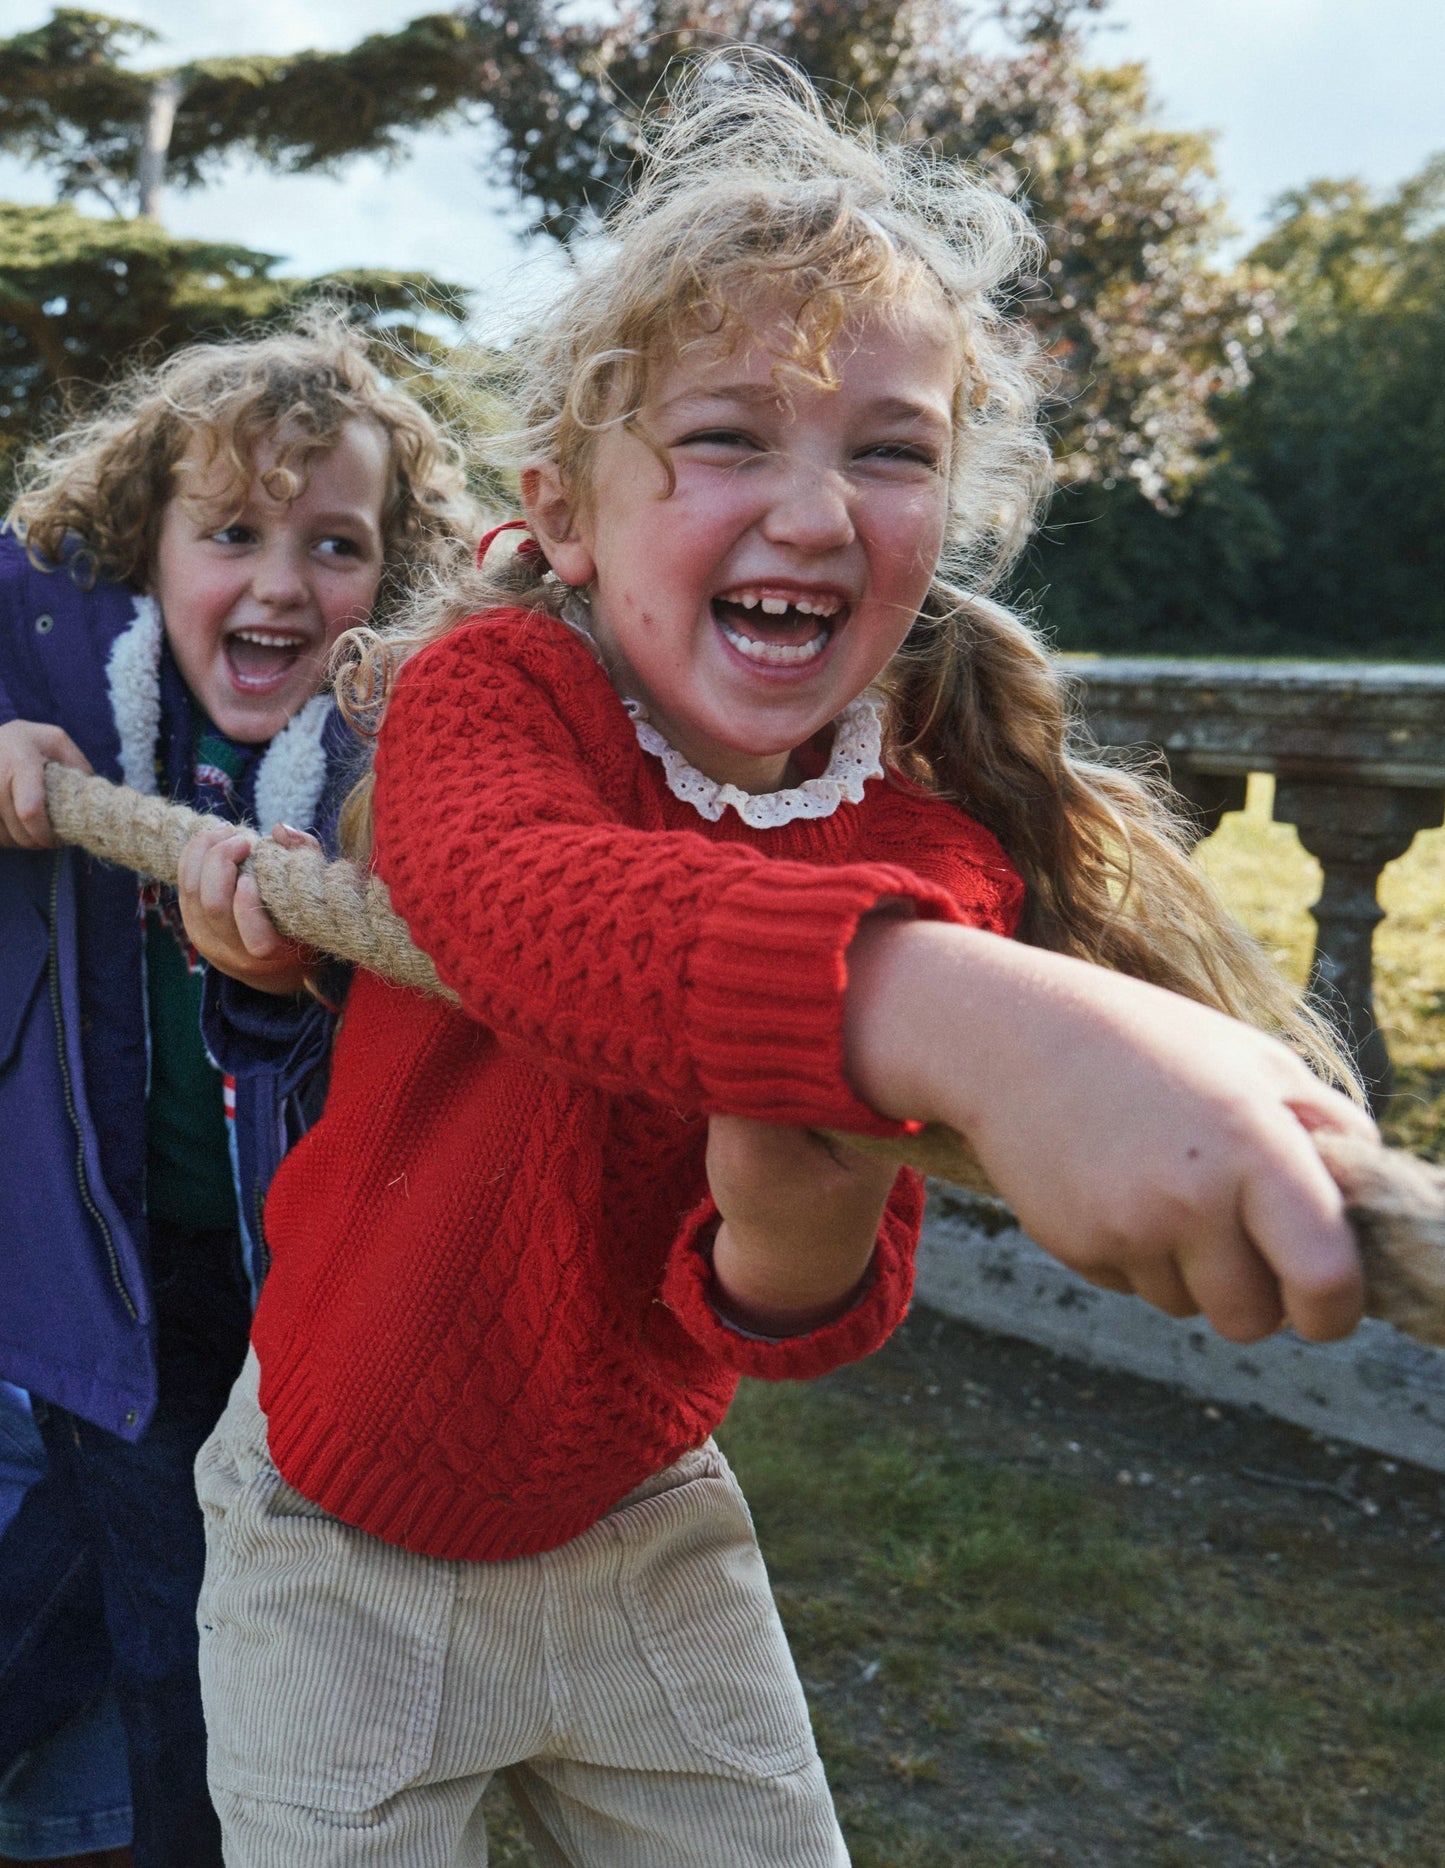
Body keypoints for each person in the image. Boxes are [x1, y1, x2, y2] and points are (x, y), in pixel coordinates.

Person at [189, 65, 1377, 1867]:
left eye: (888, 450)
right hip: (327, 1526)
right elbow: (519, 895)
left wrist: (792, 1247)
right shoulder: (499, 698)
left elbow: (796, 1300)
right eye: (730, 437)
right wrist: (971, 1027)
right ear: (561, 516)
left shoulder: (927, 855)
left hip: (635, 1518)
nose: (817, 514)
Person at [0, 312, 475, 1868]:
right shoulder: (48, 636)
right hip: (104, 1261)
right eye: (231, 534)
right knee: (179, 1638)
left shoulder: (403, 729)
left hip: (301, 1278)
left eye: (333, 544)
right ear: (147, 547)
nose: (279, 582)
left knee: (118, 1575)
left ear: (392, 574)